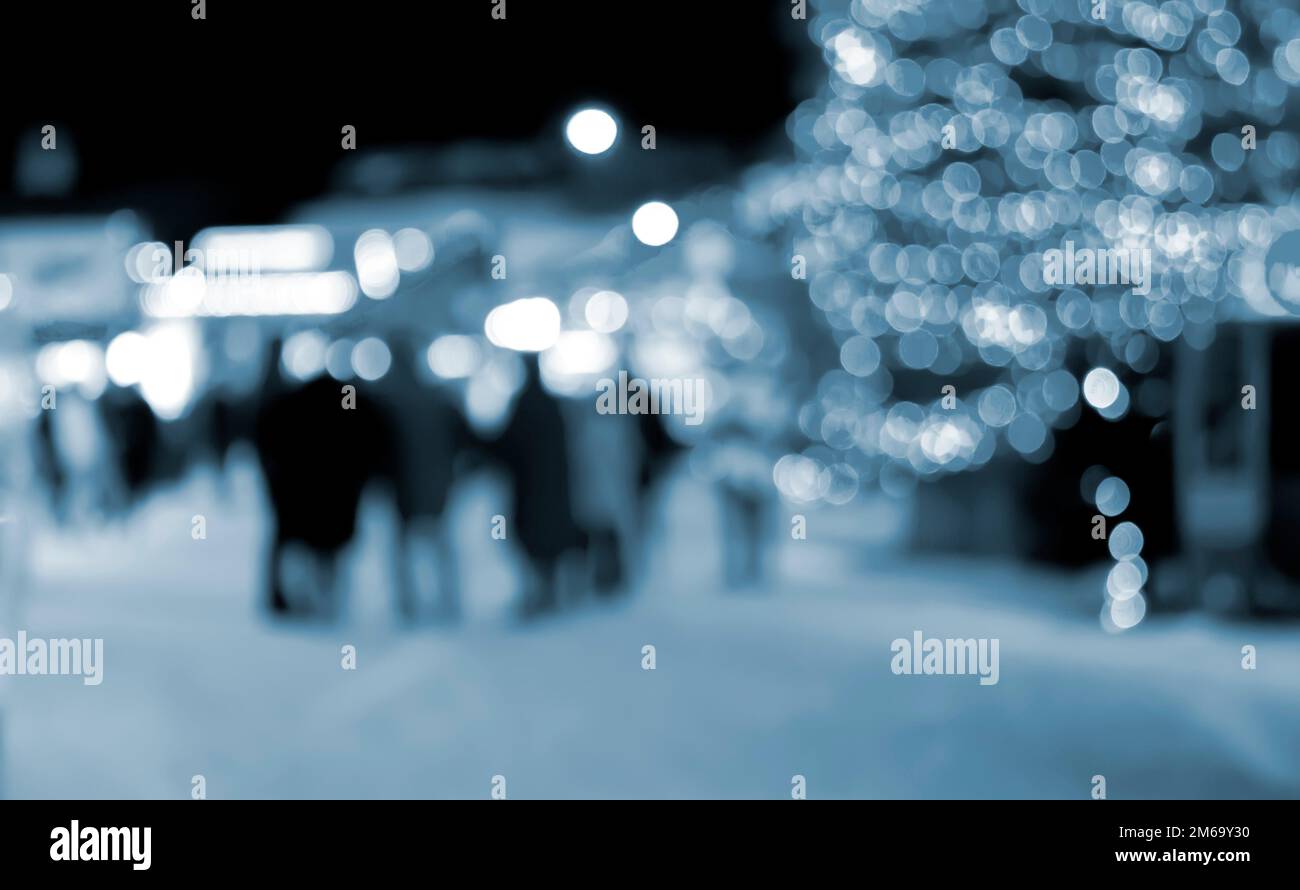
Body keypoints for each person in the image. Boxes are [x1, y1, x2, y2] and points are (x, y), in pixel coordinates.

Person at [253, 342, 395, 618]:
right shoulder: (354, 406)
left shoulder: (293, 404)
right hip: (340, 495)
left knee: (299, 547)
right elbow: (375, 444)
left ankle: (296, 600)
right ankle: (328, 600)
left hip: (300, 495)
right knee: (331, 551)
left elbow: (270, 441)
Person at [489, 353, 587, 618]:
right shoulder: (552, 405)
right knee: (548, 539)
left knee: (531, 538)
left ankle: (541, 593)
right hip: (551, 486)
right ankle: (548, 592)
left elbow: (508, 447)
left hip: (529, 488)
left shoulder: (522, 405)